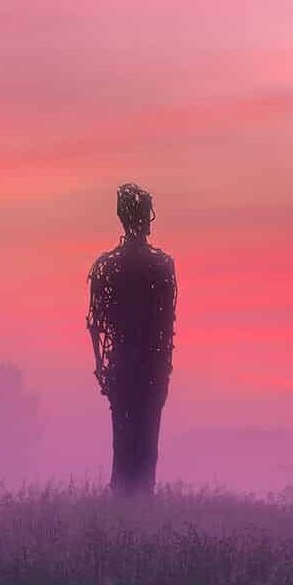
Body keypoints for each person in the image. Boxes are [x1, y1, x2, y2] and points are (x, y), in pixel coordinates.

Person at [87, 183, 177, 494]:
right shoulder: (161, 266)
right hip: (145, 368)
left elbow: (96, 325)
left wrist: (102, 366)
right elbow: (166, 324)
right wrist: (163, 367)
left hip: (125, 367)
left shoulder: (106, 267)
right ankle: (136, 504)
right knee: (144, 439)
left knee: (124, 438)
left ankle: (127, 505)